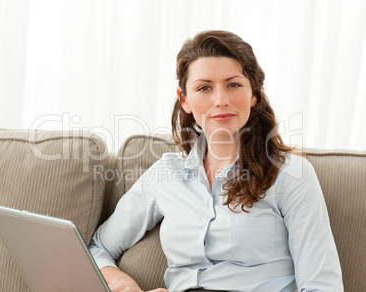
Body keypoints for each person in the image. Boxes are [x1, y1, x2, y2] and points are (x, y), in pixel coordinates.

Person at [89, 30, 343, 292]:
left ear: (253, 94)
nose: (221, 100)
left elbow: (322, 286)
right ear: (185, 100)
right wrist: (122, 283)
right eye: (204, 88)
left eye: (233, 84)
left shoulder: (291, 174)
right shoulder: (166, 173)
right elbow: (99, 247)